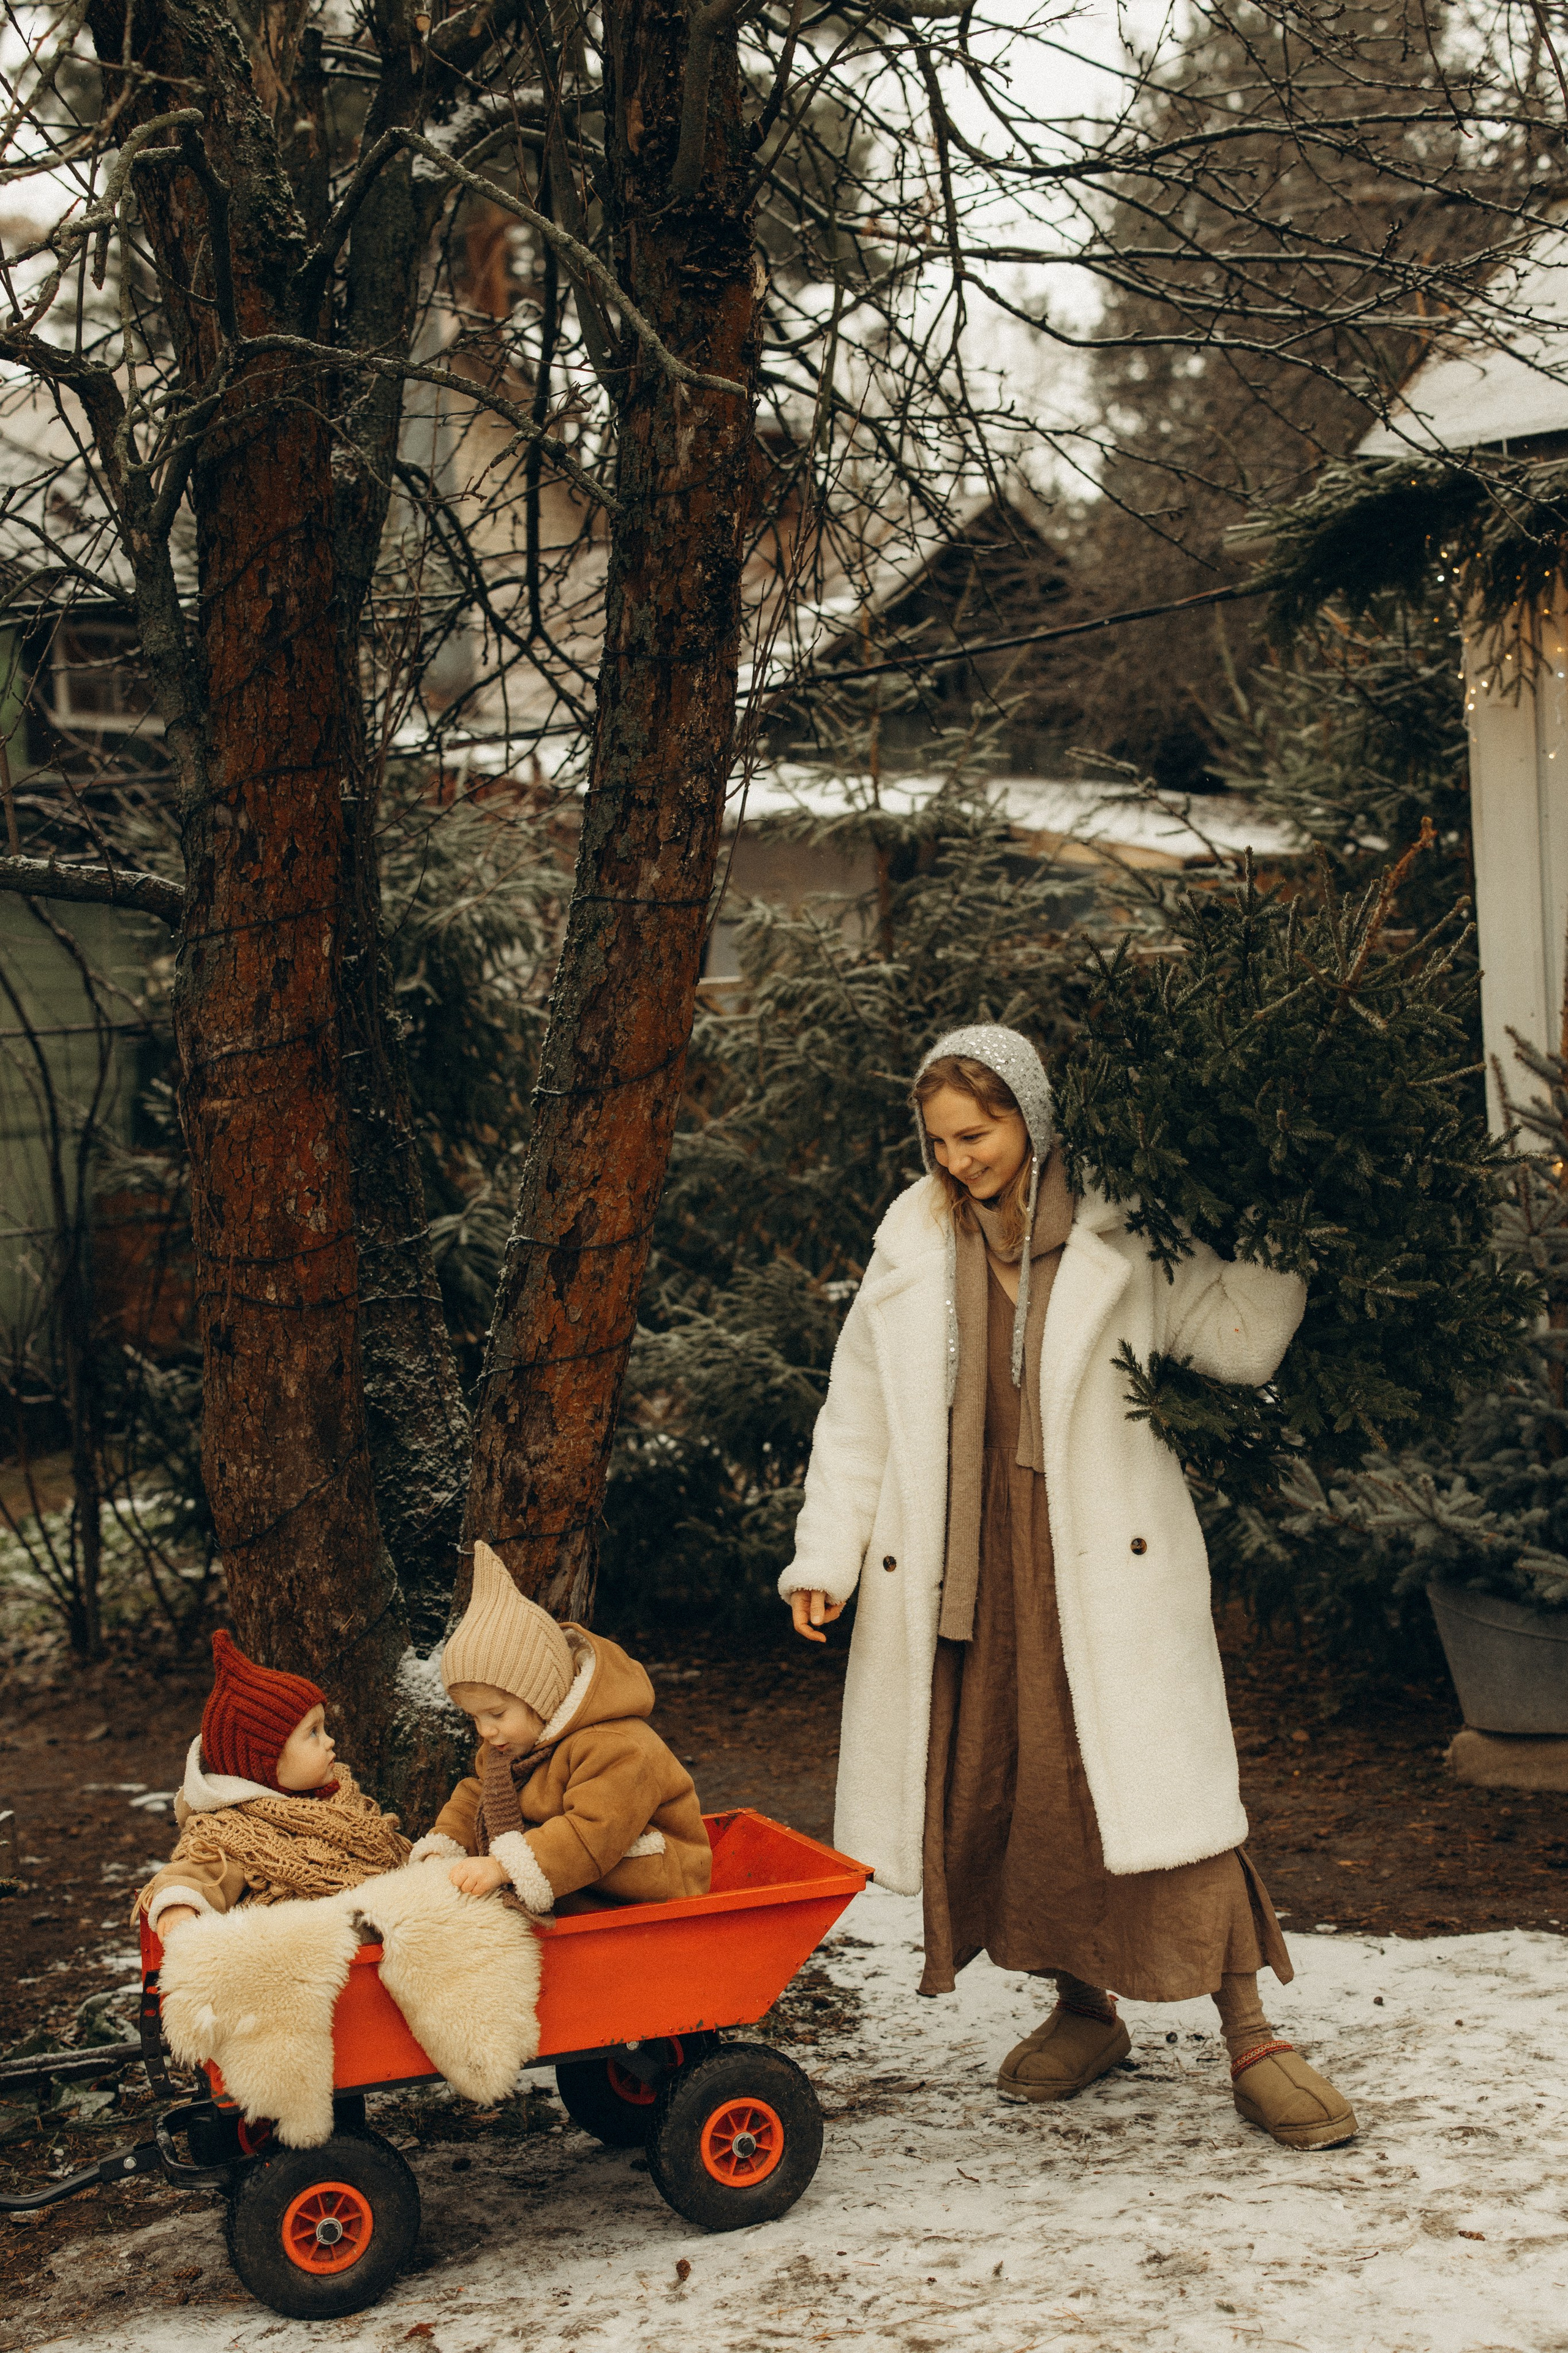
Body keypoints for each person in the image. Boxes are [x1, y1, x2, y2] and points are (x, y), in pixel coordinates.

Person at [780, 1024, 1356, 2151]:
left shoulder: (1124, 1232)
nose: (959, 1160)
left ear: (1033, 1118)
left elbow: (1241, 1343)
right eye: (941, 1139)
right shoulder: (912, 1246)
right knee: (1017, 1780)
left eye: (979, 1133)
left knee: (1157, 1786)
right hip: (967, 1574)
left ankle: (1252, 2033)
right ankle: (1084, 2010)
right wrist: (826, 1556)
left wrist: (1281, 1217)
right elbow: (856, 1420)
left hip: (1105, 1561)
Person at [410, 1541, 711, 1914]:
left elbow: (595, 1830)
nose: (485, 1731)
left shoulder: (617, 1747)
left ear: (541, 1698)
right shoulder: (513, 1745)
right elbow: (479, 1797)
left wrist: (504, 1866)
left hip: (647, 1894)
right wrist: (446, 1846)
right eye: (474, 1718)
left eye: (497, 1714)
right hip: (577, 1883)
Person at [134, 1631, 410, 1939]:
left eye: (324, 1728)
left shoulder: (343, 1801)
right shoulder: (234, 1832)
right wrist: (180, 1906)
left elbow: (390, 1855)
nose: (330, 1741)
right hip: (288, 1953)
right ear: (265, 1761)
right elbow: (196, 1873)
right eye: (314, 1733)